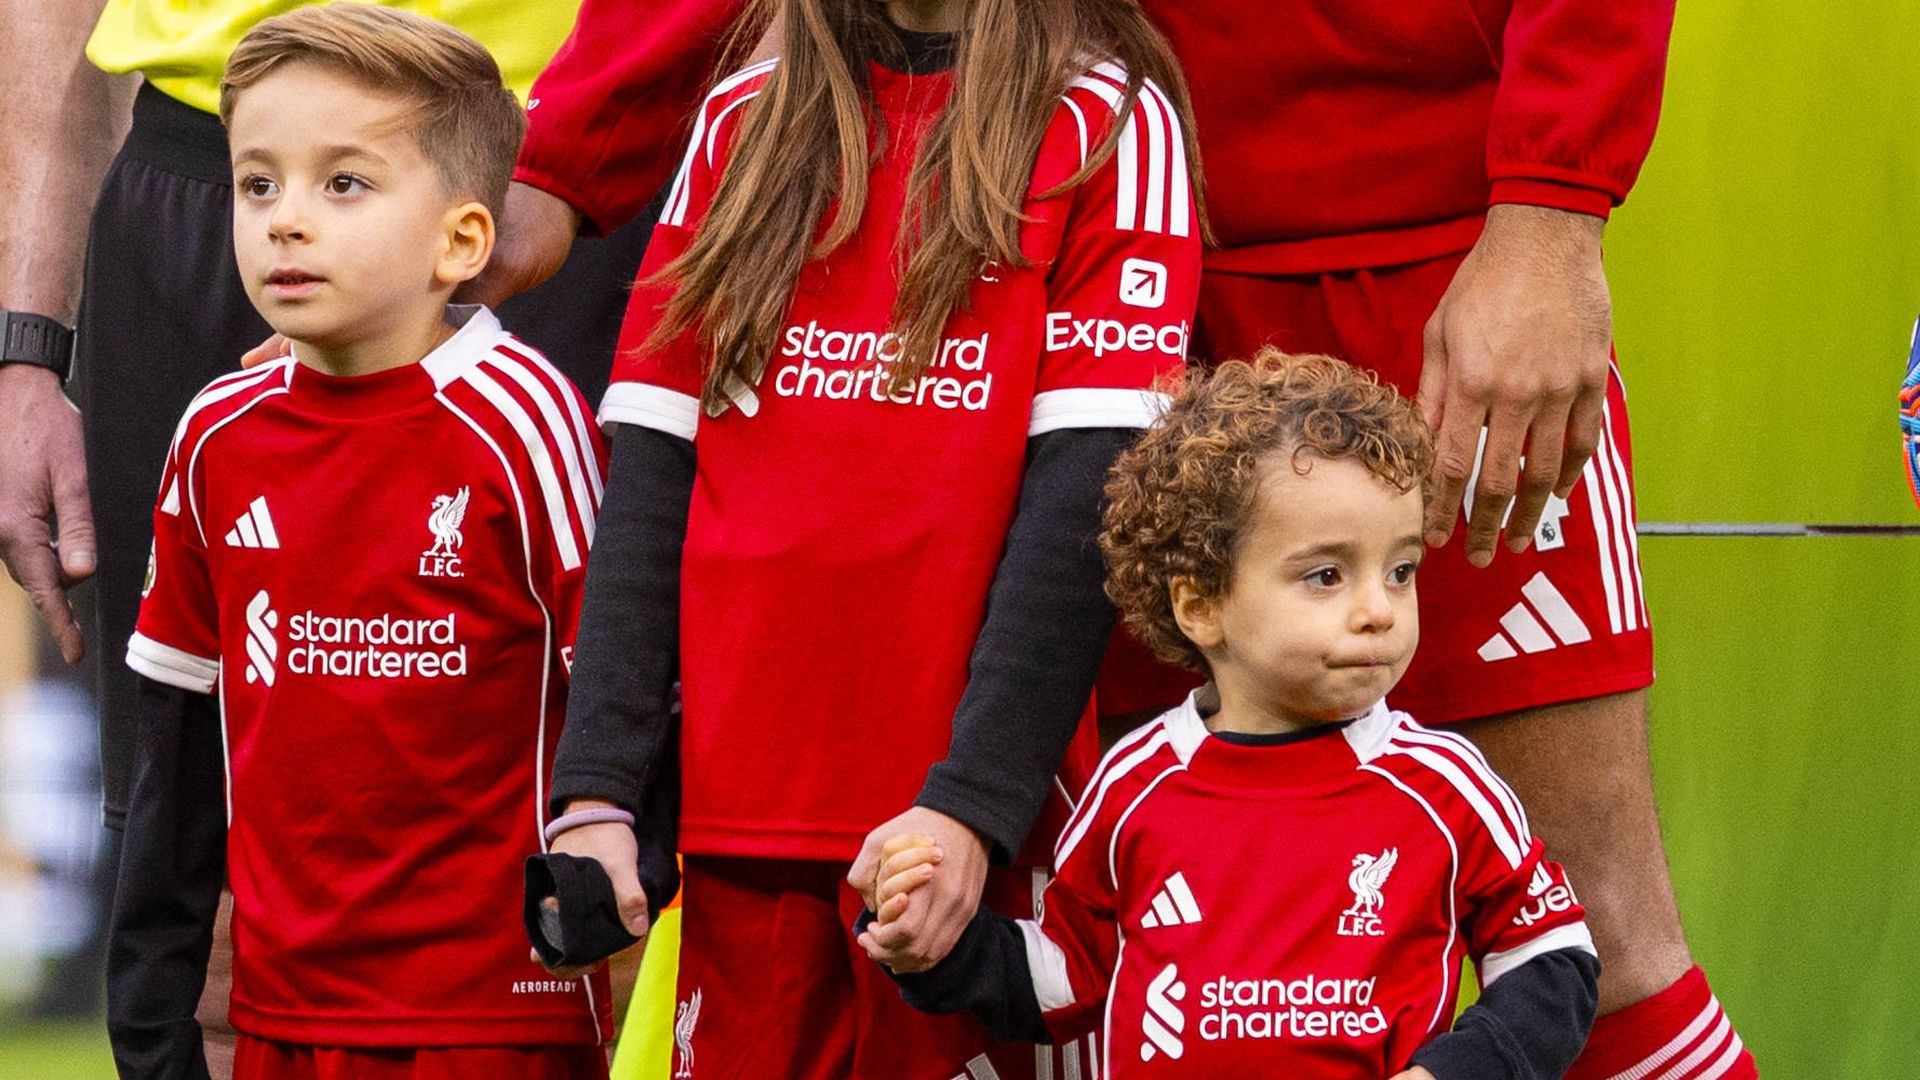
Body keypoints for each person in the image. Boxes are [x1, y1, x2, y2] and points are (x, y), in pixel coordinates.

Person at [489, 3, 1756, 1075]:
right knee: (1115, 966)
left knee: (1599, 940)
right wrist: (573, 153)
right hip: (1048, 269)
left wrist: (1550, 212)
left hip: (1417, 268)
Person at [534, 0, 1204, 1075]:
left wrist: (972, 810)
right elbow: (652, 482)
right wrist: (599, 791)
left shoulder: (1110, 121)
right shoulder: (742, 115)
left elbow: (1086, 509)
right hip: (743, 831)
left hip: (958, 848)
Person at [103, 8, 655, 1078]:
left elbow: (622, 691)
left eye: (342, 183)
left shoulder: (526, 421)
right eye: (258, 184)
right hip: (282, 1015)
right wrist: (152, 1023)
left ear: (463, 240)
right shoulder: (216, 434)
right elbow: (175, 749)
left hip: (492, 1022)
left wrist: (610, 892)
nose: (285, 221)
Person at [859, 350, 1601, 1077]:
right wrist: (930, 941)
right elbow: (1064, 980)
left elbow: (1554, 964)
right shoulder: (1134, 785)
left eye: (1400, 570)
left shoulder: (1442, 786)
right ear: (1201, 606)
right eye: (1327, 575)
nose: (1379, 610)